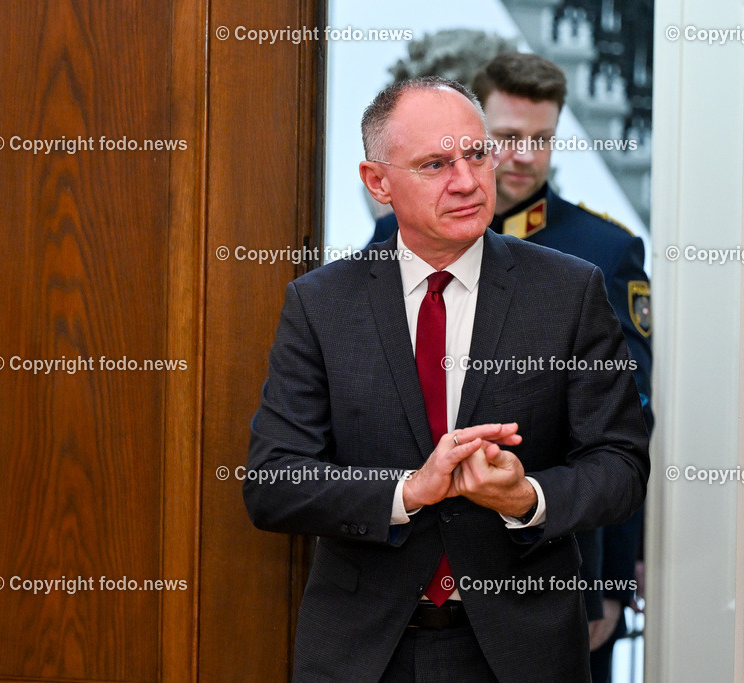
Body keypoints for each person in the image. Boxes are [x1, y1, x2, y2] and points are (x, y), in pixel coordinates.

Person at [244, 76, 650, 683]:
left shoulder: (570, 292)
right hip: (364, 652)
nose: (467, 181)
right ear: (378, 182)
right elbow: (274, 482)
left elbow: (620, 465)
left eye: (476, 155)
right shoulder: (321, 304)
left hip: (522, 651)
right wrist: (407, 491)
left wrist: (528, 498)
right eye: (435, 164)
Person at [368, 53, 652, 682]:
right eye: (505, 138)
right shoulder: (394, 240)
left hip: (554, 557)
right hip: (405, 572)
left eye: (541, 139)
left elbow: (624, 427)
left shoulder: (602, 253)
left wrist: (609, 576)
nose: (523, 155)